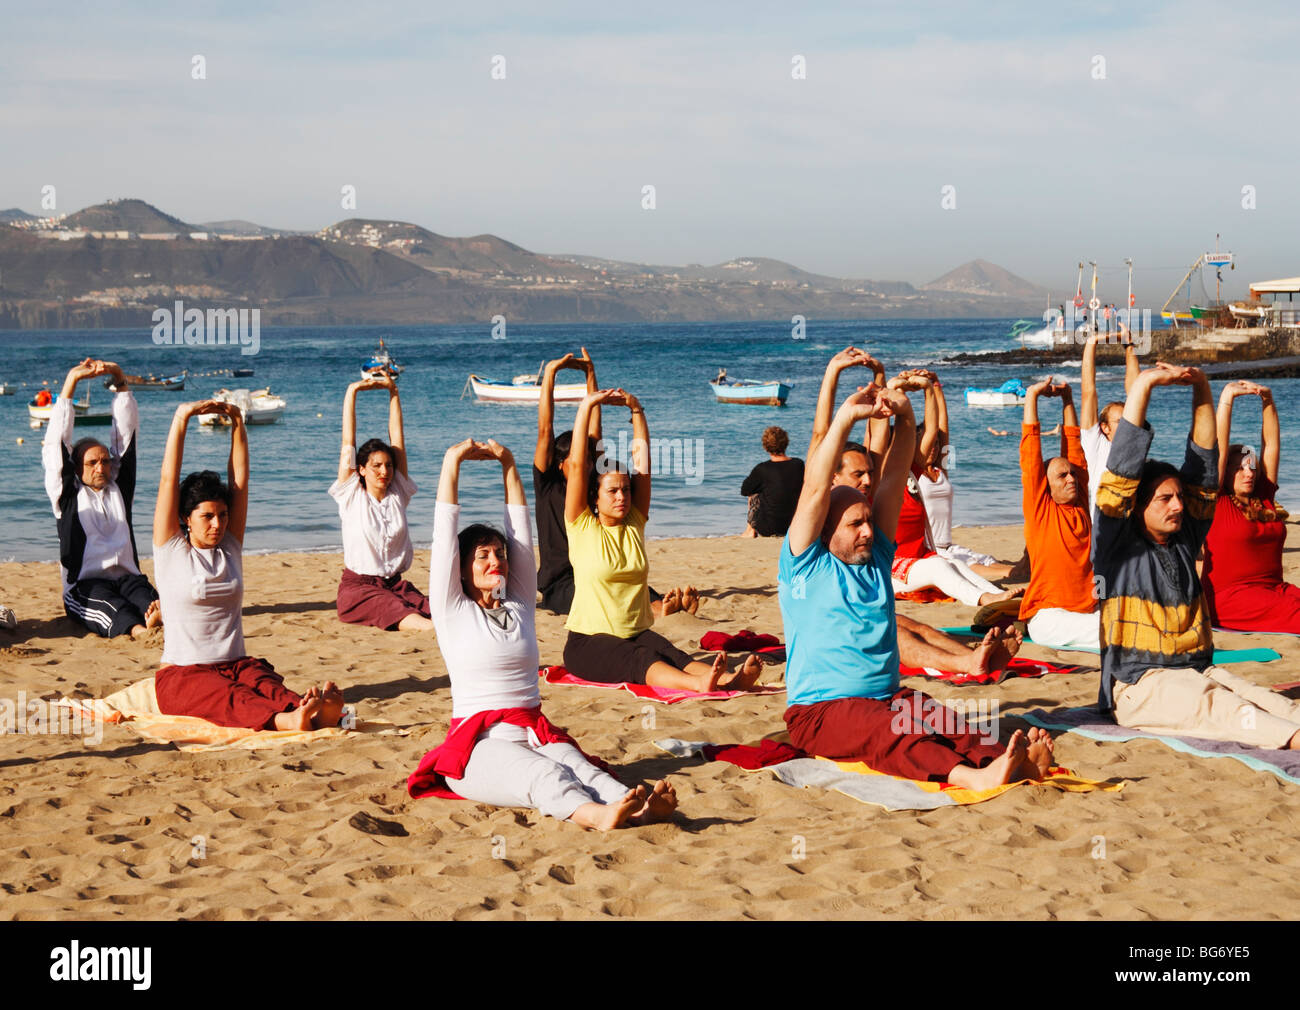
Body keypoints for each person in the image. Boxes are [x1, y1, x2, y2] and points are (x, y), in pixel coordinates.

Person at [779, 383, 1053, 786]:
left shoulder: (877, 558)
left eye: (868, 522)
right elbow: (816, 487)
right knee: (892, 731)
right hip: (821, 713)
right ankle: (973, 778)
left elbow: (892, 477)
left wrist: (906, 417)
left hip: (887, 698)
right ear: (825, 530)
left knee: (942, 720)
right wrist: (846, 417)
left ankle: (1012, 760)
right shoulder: (804, 564)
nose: (869, 531)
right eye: (855, 524)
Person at [408, 437, 678, 830]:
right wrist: (452, 462)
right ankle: (600, 818)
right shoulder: (453, 610)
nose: (495, 560)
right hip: (478, 747)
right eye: (481, 556)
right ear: (461, 569)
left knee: (587, 772)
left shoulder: (518, 605)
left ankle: (636, 809)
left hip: (535, 731)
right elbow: (444, 531)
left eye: (498, 554)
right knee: (547, 777)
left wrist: (509, 465)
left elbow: (519, 530)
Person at [1094, 364, 1300, 748]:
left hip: (1196, 668)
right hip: (1138, 684)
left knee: (1262, 698)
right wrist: (1144, 385)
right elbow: (1122, 467)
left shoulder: (1185, 537)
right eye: (1164, 499)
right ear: (1137, 508)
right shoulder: (1116, 546)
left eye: (1177, 497)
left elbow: (1204, 462)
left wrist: (1202, 387)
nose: (1176, 506)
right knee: (1225, 709)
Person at [809, 351, 1021, 678]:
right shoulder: (821, 503)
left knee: (920, 625)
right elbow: (825, 436)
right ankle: (986, 609)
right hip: (886, 579)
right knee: (930, 582)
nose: (867, 479)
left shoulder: (886, 485)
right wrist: (840, 373)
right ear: (834, 475)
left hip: (885, 580)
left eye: (868, 473)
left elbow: (923, 433)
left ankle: (979, 655)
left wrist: (919, 388)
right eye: (858, 475)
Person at [151, 400, 344, 730]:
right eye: (207, 517)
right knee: (226, 696)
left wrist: (238, 421)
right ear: (186, 519)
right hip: (183, 674)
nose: (218, 524)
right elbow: (169, 479)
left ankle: (311, 712)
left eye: (223, 516)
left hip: (235, 663)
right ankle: (289, 721)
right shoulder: (171, 549)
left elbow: (239, 480)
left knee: (264, 684)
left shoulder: (229, 547)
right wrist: (181, 418)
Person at [562, 388, 763, 691]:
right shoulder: (581, 525)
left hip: (634, 631)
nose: (622, 497)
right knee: (642, 657)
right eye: (613, 491)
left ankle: (729, 679)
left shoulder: (633, 522)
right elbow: (577, 466)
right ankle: (700, 684)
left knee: (672, 653)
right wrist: (587, 405)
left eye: (626, 490)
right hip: (588, 642)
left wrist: (636, 409)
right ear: (594, 497)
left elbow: (643, 463)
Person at [535, 350, 696, 616]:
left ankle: (664, 607)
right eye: (578, 459)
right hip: (560, 583)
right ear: (560, 462)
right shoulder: (547, 484)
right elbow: (545, 429)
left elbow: (595, 432)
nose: (586, 464)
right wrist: (551, 372)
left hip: (596, 566)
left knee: (630, 585)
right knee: (604, 592)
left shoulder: (595, 486)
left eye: (589, 459)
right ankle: (660, 609)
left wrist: (591, 373)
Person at [41, 358, 161, 639]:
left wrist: (119, 379)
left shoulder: (119, 489)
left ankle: (154, 617)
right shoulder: (66, 495)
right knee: (113, 609)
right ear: (77, 467)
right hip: (85, 586)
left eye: (105, 461)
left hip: (128, 578)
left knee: (149, 599)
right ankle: (139, 632)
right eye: (92, 462)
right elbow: (55, 445)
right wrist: (71, 383)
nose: (101, 467)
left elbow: (126, 437)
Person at [886, 371, 1019, 609]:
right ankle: (985, 599)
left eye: (936, 444)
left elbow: (936, 430)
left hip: (929, 553)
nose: (933, 447)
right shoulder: (896, 474)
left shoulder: (927, 471)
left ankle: (994, 593)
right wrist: (899, 390)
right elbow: (900, 431)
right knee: (943, 564)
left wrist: (931, 387)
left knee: (955, 565)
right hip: (900, 564)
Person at [329, 374, 432, 631]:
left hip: (396, 584)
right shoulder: (351, 494)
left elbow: (398, 442)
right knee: (392, 607)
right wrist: (352, 391)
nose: (384, 471)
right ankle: (431, 629)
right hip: (358, 589)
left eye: (387, 466)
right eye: (376, 466)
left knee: (431, 606)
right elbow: (347, 443)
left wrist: (393, 392)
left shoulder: (398, 492)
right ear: (361, 469)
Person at [1202, 381, 1300, 632]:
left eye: (1251, 466)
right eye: (1238, 468)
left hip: (1276, 589)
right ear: (1224, 474)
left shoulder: (1263, 496)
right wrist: (1227, 398)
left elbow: (1271, 445)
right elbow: (1217, 449)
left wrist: (1268, 400)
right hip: (1229, 599)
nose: (1247, 473)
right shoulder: (1218, 500)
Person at [1018, 377, 1098, 650]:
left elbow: (1074, 445)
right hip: (1049, 616)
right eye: (1062, 476)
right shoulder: (1041, 509)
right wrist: (1032, 397)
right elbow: (1031, 451)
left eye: (1072, 475)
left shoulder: (1081, 505)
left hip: (1090, 610)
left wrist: (1068, 401)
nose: (1071, 479)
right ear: (1046, 485)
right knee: (1115, 631)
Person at [912, 369, 1013, 579]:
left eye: (936, 444)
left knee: (1006, 568)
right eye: (928, 443)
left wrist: (935, 385)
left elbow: (943, 427)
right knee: (999, 573)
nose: (933, 447)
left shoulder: (942, 469)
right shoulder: (912, 475)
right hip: (930, 551)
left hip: (949, 546)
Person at [1080, 327, 1141, 514]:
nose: (1126, 426)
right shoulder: (1095, 444)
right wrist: (1092, 343)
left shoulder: (1133, 444)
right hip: (1102, 529)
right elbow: (1088, 392)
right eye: (1119, 422)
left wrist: (1129, 346)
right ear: (1104, 428)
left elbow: (1136, 393)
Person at [741, 426, 804, 537]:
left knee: (753, 491)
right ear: (786, 443)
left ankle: (750, 530)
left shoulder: (762, 469)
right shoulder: (798, 464)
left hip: (767, 528)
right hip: (794, 525)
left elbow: (744, 490)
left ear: (765, 446)